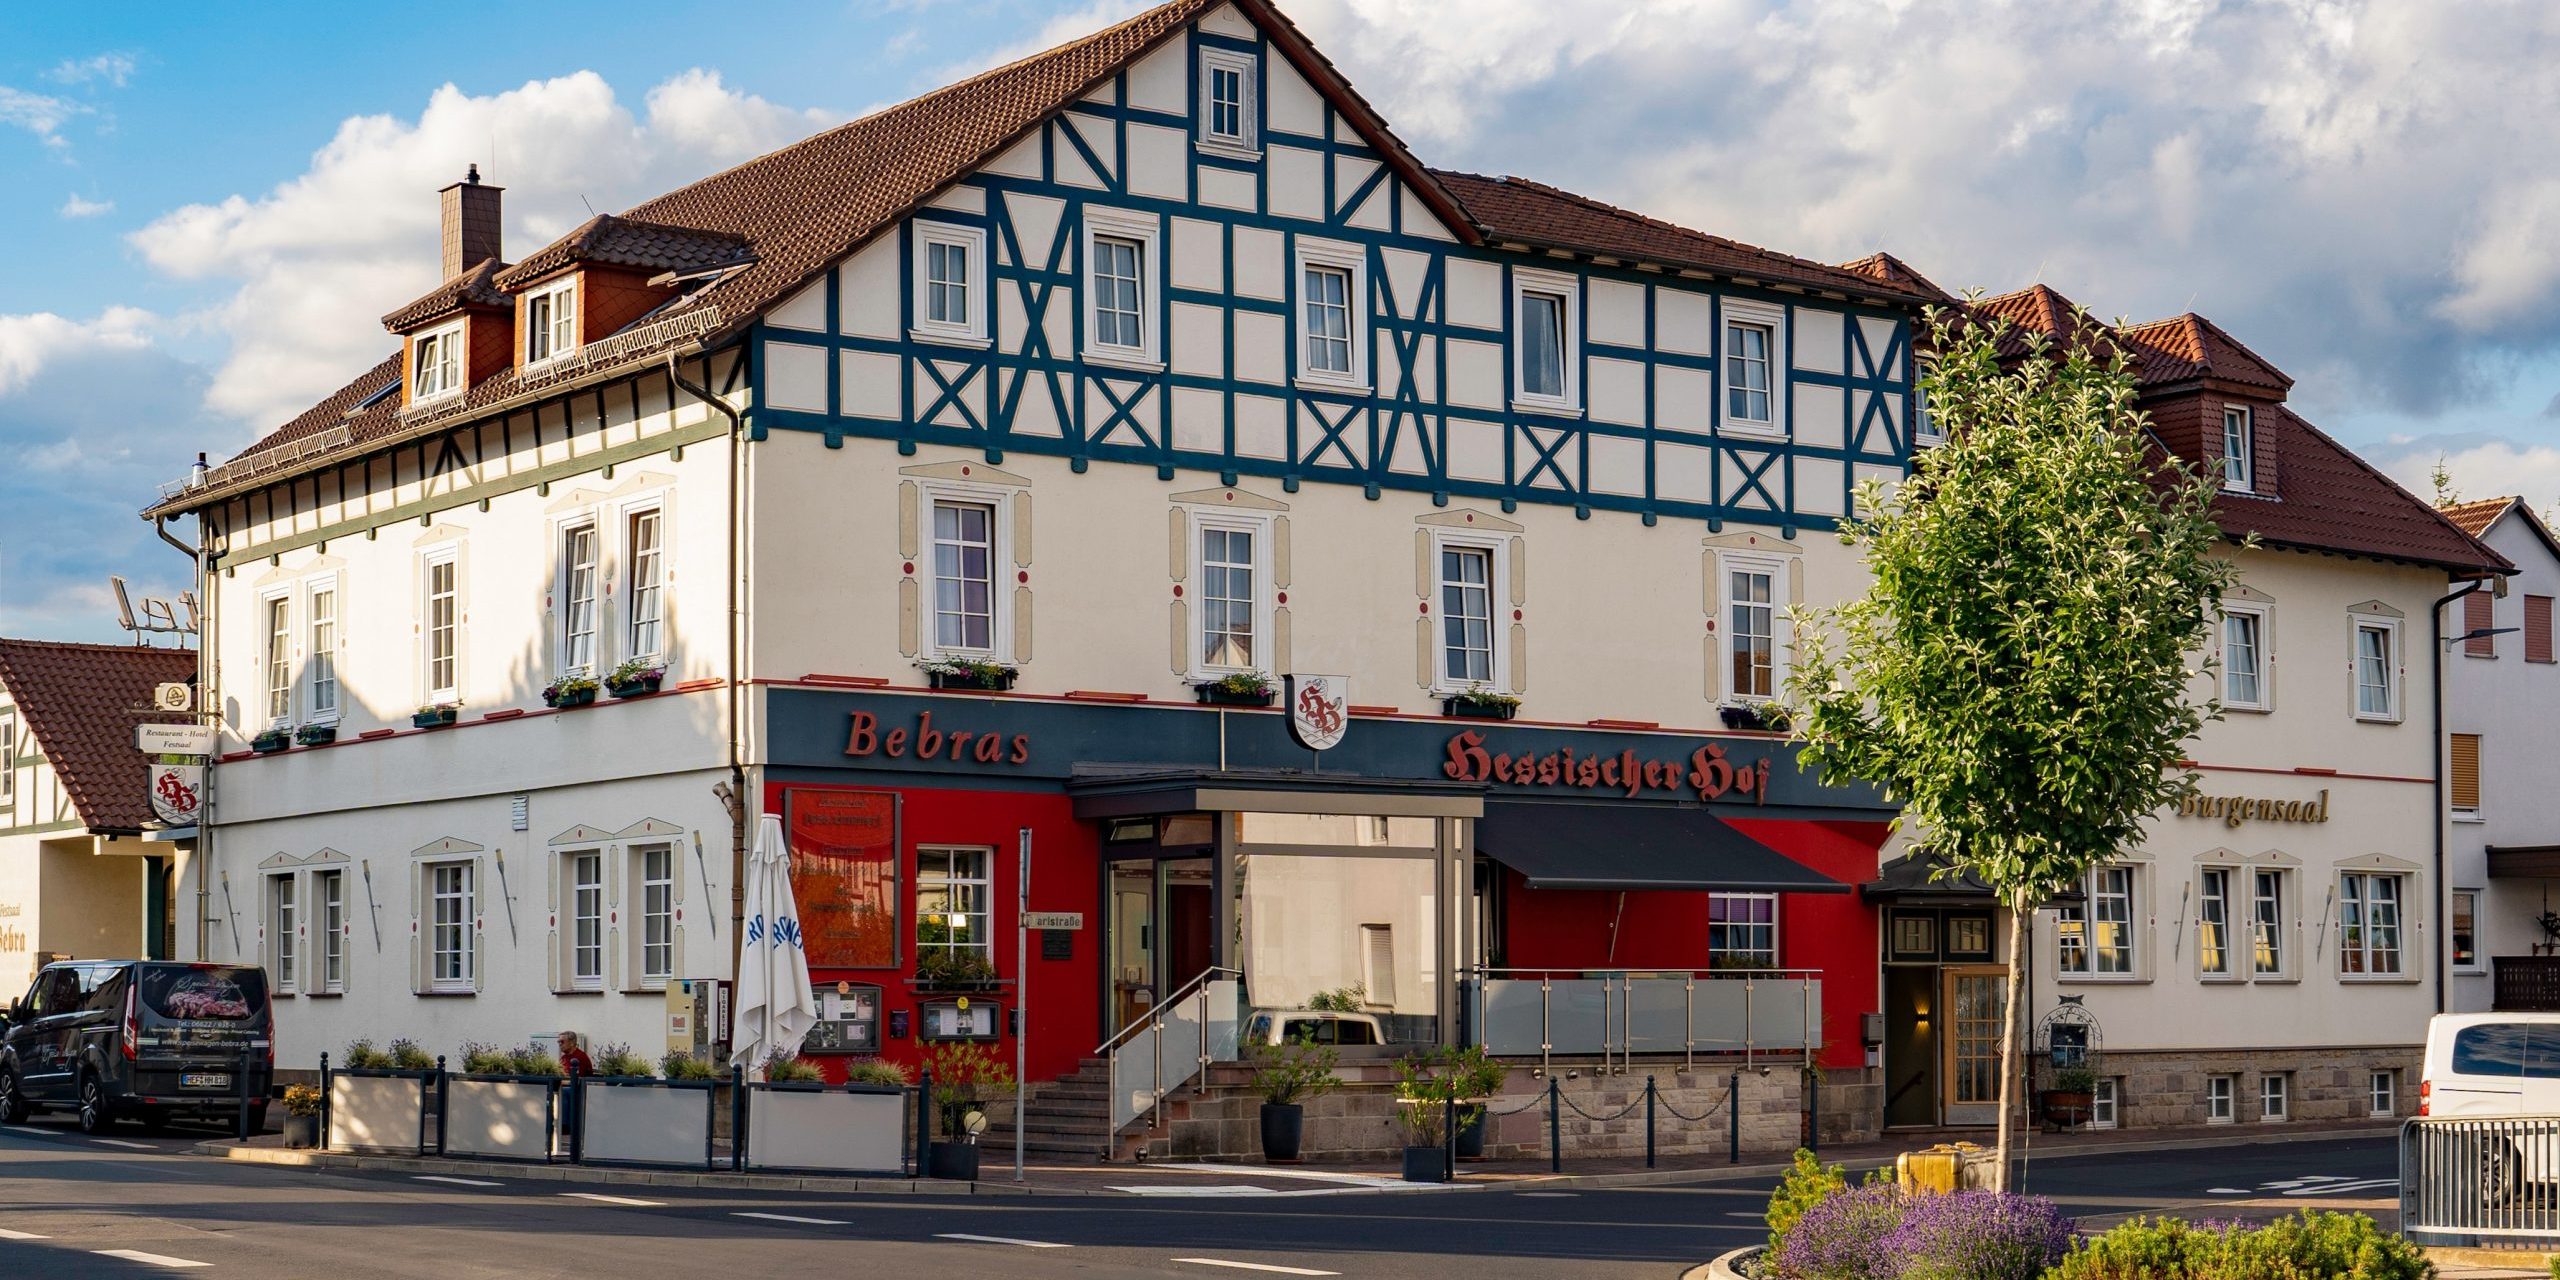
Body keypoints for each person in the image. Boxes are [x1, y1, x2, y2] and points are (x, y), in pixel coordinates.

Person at [556, 1031, 594, 1156]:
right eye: (558, 1041)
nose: (559, 1044)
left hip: (579, 1089)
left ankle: (565, 1127)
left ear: (572, 1043)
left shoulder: (580, 1057)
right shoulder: (563, 1057)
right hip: (566, 1086)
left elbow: (578, 1079)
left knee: (565, 1092)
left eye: (562, 1041)